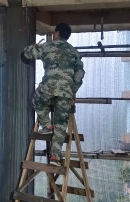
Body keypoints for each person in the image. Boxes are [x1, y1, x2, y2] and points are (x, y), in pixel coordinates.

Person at [23, 23, 85, 166]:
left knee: (36, 100)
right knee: (61, 124)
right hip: (66, 91)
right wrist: (73, 90)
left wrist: (34, 46)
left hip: (48, 88)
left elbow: (26, 53)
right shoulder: (74, 52)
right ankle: (55, 158)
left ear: (57, 33)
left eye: (54, 33)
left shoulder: (47, 46)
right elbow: (80, 74)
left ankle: (46, 125)